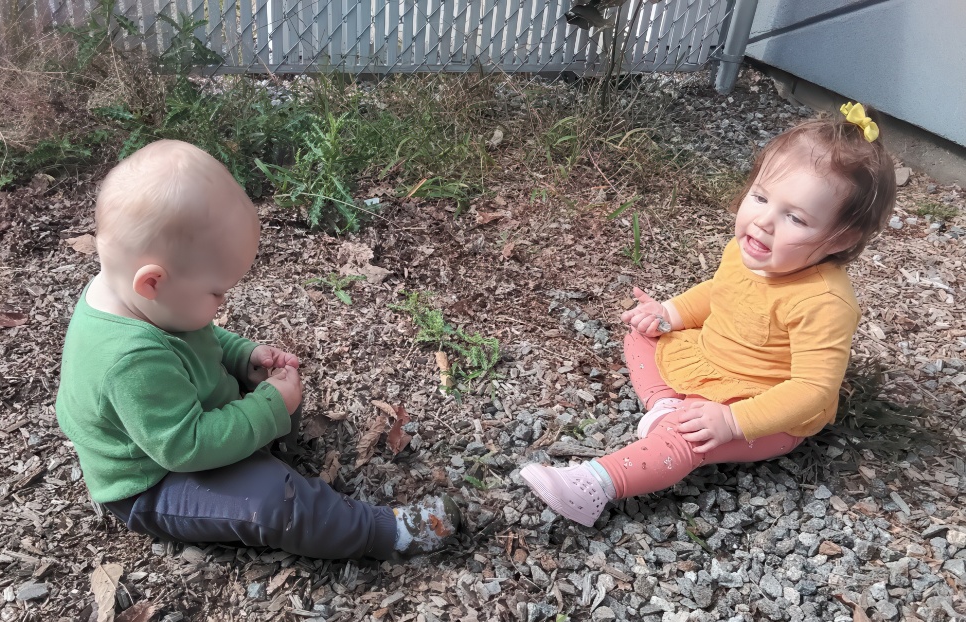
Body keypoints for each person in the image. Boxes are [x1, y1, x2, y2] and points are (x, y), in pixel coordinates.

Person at [56, 140, 459, 558]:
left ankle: (270, 452)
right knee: (274, 501)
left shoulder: (138, 298)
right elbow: (186, 446)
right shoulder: (128, 360)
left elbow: (198, 337)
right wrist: (268, 407)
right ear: (153, 282)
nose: (223, 302)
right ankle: (380, 533)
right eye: (217, 291)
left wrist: (242, 356)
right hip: (157, 481)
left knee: (269, 395)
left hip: (185, 434)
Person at [520, 103, 897, 527]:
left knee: (688, 440)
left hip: (760, 407)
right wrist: (671, 312)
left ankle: (595, 485)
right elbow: (720, 293)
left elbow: (811, 390)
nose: (764, 222)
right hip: (710, 361)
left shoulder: (823, 301)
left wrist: (733, 421)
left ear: (839, 238)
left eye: (794, 217)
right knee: (642, 333)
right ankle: (664, 405)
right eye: (760, 197)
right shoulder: (745, 251)